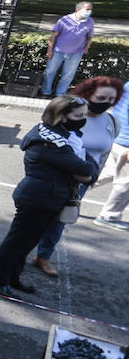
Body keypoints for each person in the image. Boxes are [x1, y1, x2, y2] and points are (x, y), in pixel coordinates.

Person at [0, 95, 98, 297]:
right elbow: (83, 167)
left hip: (49, 197)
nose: (84, 119)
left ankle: (12, 278)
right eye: (79, 115)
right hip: (38, 198)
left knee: (27, 243)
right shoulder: (49, 140)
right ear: (62, 116)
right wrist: (87, 172)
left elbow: (88, 169)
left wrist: (87, 172)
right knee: (16, 242)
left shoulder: (67, 135)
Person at [30, 77, 123, 272]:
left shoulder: (112, 122)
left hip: (82, 181)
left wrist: (90, 177)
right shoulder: (71, 115)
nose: (106, 102)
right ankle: (18, 252)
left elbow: (104, 154)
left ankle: (43, 256)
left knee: (61, 219)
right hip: (58, 176)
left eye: (111, 99)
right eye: (101, 97)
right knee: (37, 216)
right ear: (88, 95)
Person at [93, 89, 129, 232]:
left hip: (117, 133)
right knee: (125, 181)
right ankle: (109, 216)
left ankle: (64, 193)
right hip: (126, 141)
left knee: (110, 172)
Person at [42, 2, 94, 97]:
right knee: (50, 72)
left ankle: (60, 94)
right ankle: (45, 92)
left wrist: (86, 47)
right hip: (58, 51)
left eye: (90, 9)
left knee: (68, 75)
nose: (89, 11)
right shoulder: (65, 20)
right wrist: (50, 50)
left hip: (76, 53)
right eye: (87, 9)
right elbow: (53, 35)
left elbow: (89, 37)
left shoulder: (90, 21)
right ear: (79, 9)